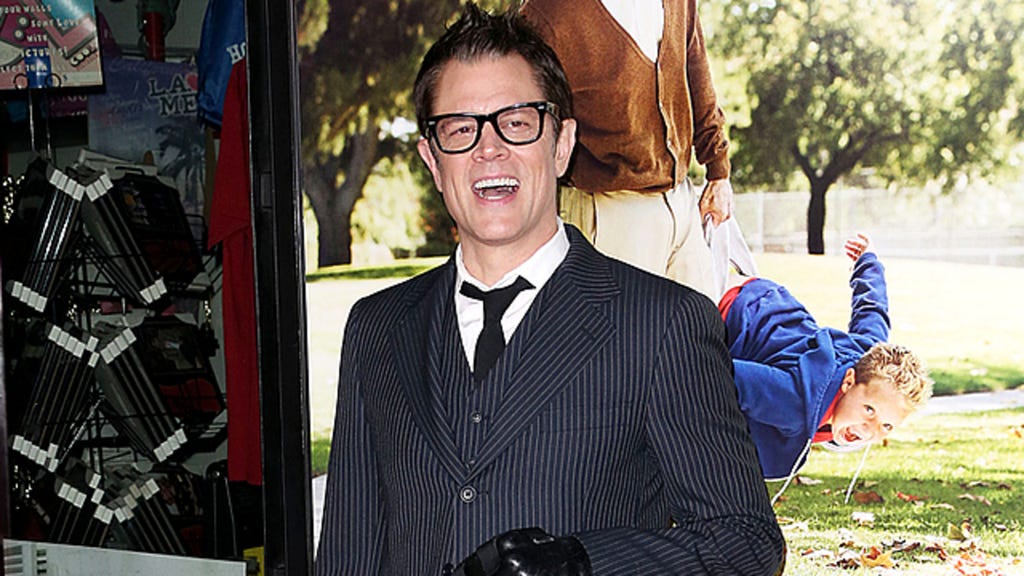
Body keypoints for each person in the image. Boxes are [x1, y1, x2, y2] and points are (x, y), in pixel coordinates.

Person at [314, 4, 784, 575]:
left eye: (516, 122)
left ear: (562, 144)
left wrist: (581, 561)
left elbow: (746, 542)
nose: (489, 149)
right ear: (432, 161)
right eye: (460, 129)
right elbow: (347, 553)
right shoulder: (377, 328)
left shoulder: (663, 325)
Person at [519, 0, 751, 300]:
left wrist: (718, 171)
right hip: (608, 208)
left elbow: (696, 67)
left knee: (701, 325)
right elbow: (523, 116)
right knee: (618, 330)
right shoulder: (549, 11)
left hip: (681, 201)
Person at [719, 233, 933, 486]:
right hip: (730, 305)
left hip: (771, 300)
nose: (870, 429)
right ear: (848, 381)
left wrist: (868, 261)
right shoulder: (795, 400)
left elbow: (873, 312)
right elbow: (716, 373)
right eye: (869, 410)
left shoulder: (867, 358)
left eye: (886, 426)